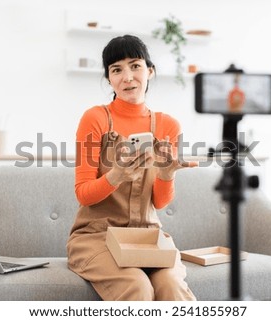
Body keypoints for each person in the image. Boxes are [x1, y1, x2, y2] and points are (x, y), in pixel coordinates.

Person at [66, 35, 197, 301]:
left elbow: (159, 203)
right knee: (137, 285)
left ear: (149, 71)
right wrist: (116, 176)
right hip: (96, 237)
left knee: (171, 286)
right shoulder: (95, 118)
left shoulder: (168, 126)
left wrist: (166, 175)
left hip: (147, 235)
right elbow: (83, 193)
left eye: (135, 66)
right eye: (116, 69)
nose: (127, 77)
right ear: (109, 79)